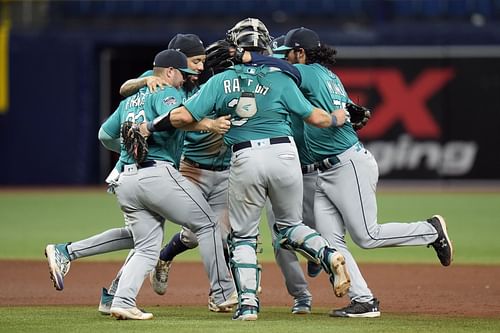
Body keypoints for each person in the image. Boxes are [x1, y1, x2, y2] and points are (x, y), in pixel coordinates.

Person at [141, 18, 352, 321]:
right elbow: (316, 118)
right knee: (290, 226)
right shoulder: (282, 79)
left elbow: (182, 116)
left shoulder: (219, 81)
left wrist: (151, 125)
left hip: (245, 157)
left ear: (234, 47)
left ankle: (248, 305)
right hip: (285, 154)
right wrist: (338, 118)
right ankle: (329, 255)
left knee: (243, 236)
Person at [45, 49, 236, 320]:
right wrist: (210, 124)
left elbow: (105, 135)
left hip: (126, 178)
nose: (185, 80)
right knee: (207, 223)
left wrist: (129, 151)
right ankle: (223, 293)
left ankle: (116, 296)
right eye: (184, 73)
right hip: (155, 173)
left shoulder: (133, 97)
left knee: (144, 244)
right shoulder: (165, 91)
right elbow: (177, 119)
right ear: (170, 71)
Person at [275, 27, 454, 317]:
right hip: (323, 170)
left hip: (346, 164)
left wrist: (253, 55)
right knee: (331, 243)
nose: (286, 59)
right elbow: (346, 113)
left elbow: (277, 73)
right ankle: (364, 300)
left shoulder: (306, 72)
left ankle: (429, 230)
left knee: (367, 236)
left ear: (301, 53)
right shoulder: (328, 76)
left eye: (289, 53)